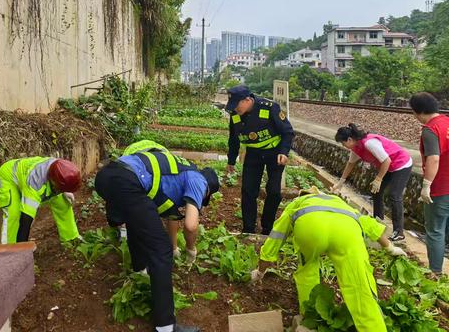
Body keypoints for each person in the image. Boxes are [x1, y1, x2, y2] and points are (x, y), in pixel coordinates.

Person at [95, 140, 220, 332]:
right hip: (126, 181)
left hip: (107, 176)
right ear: (208, 191)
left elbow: (170, 218)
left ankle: (140, 273)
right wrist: (191, 249)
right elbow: (190, 224)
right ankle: (166, 326)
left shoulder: (182, 171)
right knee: (161, 250)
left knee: (139, 224)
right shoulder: (199, 181)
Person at [251, 188, 406, 332]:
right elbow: (371, 227)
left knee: (307, 270)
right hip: (346, 231)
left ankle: (310, 316)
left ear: (303, 195)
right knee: (359, 283)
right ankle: (373, 327)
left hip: (311, 227)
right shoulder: (339, 203)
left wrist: (261, 270)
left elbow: (276, 237)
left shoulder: (297, 204)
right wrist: (390, 248)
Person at [225, 85, 295, 235]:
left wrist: (284, 152)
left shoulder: (269, 108)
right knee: (248, 191)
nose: (235, 109)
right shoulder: (235, 115)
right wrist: (231, 160)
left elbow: (288, 132)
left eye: (237, 105)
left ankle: (267, 228)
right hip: (253, 154)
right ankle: (248, 228)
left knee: (274, 191)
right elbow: (233, 139)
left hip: (274, 154)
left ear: (248, 100)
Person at [332, 123, 412, 241]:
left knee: (394, 195)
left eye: (343, 143)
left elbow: (386, 160)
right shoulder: (356, 147)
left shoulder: (369, 143)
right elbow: (350, 164)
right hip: (389, 166)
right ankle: (378, 221)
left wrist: (378, 179)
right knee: (376, 191)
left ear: (349, 139)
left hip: (401, 164)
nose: (343, 146)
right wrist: (340, 182)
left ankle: (399, 231)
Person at [0, 157, 81, 244]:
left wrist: (65, 191)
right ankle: (11, 250)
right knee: (13, 214)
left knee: (63, 203)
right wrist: (23, 249)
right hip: (10, 178)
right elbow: (26, 220)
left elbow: (64, 177)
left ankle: (71, 239)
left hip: (30, 179)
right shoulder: (35, 184)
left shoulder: (59, 167)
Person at [409, 92, 449, 275]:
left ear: (418, 112)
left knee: (435, 231)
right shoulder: (447, 122)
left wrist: (426, 185)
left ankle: (435, 273)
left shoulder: (430, 129)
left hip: (441, 187)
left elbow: (433, 158)